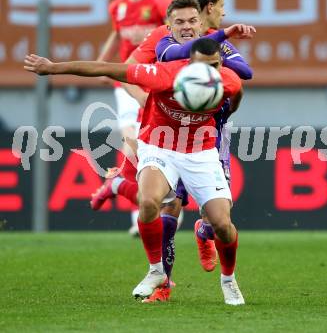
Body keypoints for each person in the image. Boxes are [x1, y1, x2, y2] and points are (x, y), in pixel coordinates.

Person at [24, 38, 244, 306]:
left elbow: (238, 93)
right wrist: (53, 68)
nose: (208, 72)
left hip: (201, 153)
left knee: (222, 225)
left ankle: (228, 280)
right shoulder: (164, 74)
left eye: (215, 65)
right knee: (149, 201)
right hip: (159, 147)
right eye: (202, 65)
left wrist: (229, 110)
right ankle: (156, 271)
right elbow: (106, 68)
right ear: (189, 63)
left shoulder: (227, 80)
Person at [98, 0, 172, 235]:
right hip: (126, 82)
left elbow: (171, 36)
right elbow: (117, 33)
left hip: (153, 81)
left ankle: (166, 205)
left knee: (150, 143)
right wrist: (105, 65)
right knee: (131, 143)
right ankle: (142, 214)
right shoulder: (117, 6)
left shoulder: (160, 3)